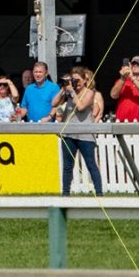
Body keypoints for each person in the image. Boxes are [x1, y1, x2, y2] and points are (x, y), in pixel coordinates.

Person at [53, 66, 103, 196]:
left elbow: (81, 106)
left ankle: (99, 194)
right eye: (73, 80)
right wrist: (63, 89)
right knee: (67, 166)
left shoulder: (89, 92)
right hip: (69, 133)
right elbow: (54, 103)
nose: (76, 83)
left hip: (85, 134)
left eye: (78, 80)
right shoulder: (69, 92)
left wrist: (73, 92)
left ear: (84, 80)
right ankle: (65, 194)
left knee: (91, 165)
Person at [109, 55, 139, 122]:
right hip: (122, 122)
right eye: (133, 64)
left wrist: (132, 78)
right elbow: (113, 95)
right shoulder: (123, 80)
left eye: (138, 64)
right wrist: (123, 78)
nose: (135, 65)